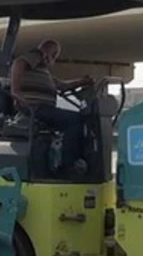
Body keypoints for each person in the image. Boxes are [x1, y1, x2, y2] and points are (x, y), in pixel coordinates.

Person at [9, 39, 93, 173]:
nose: (52, 59)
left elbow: (62, 85)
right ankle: (68, 165)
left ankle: (61, 160)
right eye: (53, 54)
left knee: (75, 119)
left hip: (44, 109)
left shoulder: (43, 72)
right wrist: (16, 91)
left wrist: (81, 82)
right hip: (36, 108)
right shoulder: (33, 58)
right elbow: (19, 62)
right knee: (76, 120)